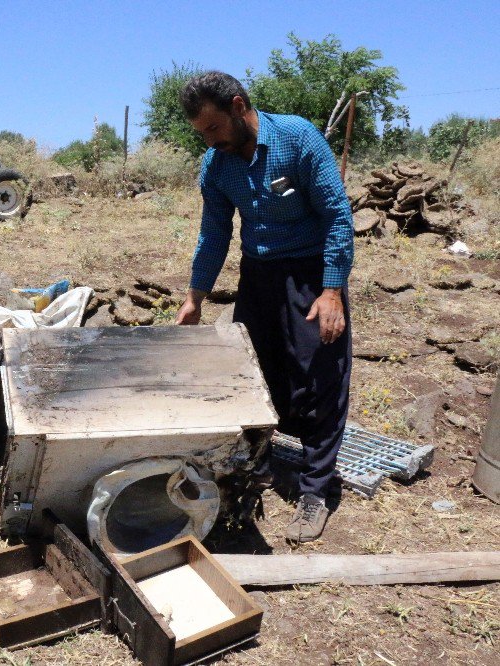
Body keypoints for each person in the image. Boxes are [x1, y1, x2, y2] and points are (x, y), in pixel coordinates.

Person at [174, 71, 354, 544]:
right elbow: (215, 233)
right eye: (201, 134)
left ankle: (317, 491)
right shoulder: (217, 165)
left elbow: (338, 216)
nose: (209, 141)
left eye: (213, 128)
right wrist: (196, 296)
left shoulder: (296, 139)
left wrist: (332, 291)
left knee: (320, 374)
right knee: (259, 374)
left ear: (238, 107)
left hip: (312, 275)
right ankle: (260, 466)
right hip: (258, 276)